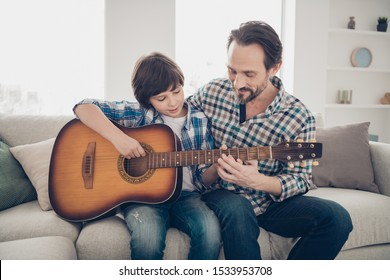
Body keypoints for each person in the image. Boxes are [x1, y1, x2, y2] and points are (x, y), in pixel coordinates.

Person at [189, 21, 353, 260]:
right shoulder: (212, 92)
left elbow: (300, 179)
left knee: (337, 219)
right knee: (237, 207)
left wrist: (257, 181)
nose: (237, 83)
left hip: (268, 201)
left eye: (249, 74)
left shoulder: (298, 116)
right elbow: (174, 121)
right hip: (220, 192)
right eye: (232, 70)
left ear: (275, 68)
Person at [73, 52, 221, 260]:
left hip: (186, 197)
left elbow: (202, 177)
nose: (172, 102)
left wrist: (216, 168)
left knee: (210, 232)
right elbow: (83, 107)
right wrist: (119, 139)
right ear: (148, 100)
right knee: (147, 238)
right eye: (161, 98)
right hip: (143, 200)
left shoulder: (199, 120)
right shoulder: (141, 113)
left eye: (177, 91)